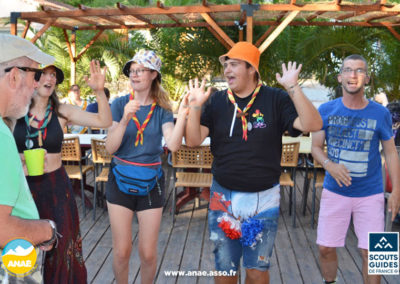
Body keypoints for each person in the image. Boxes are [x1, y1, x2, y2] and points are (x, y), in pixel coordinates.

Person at [185, 41, 322, 284]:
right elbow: (194, 141)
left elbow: (313, 125)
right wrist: (195, 107)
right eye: (226, 65)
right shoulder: (217, 102)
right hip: (223, 197)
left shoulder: (276, 99)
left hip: (264, 198)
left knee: (257, 272)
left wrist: (293, 87)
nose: (227, 70)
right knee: (225, 271)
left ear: (252, 69)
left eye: (234, 64)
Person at [13, 61, 112, 283]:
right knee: (24, 247)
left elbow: (104, 121)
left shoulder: (63, 112)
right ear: (32, 79)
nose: (49, 79)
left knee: (61, 246)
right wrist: (14, 157)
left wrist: (99, 92)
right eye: (43, 74)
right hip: (22, 191)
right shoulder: (14, 112)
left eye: (53, 75)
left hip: (57, 189)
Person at [311, 54, 400, 284]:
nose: (353, 75)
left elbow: (390, 152)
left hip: (371, 193)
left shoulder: (381, 113)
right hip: (335, 191)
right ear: (340, 77)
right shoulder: (326, 109)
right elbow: (316, 148)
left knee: (376, 253)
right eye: (348, 70)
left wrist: (397, 191)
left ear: (367, 78)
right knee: (325, 248)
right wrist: (329, 165)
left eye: (359, 70)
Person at [105, 49, 188, 284]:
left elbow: (172, 144)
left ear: (153, 74)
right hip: (120, 177)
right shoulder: (120, 103)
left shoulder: (162, 108)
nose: (134, 75)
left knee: (148, 253)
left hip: (152, 180)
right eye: (132, 71)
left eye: (140, 70)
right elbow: (110, 148)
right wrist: (123, 120)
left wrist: (182, 115)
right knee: (122, 251)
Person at [0, 34, 59, 283]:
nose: (37, 84)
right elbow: (2, 229)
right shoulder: (1, 135)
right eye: (35, 75)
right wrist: (48, 230)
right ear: (14, 76)